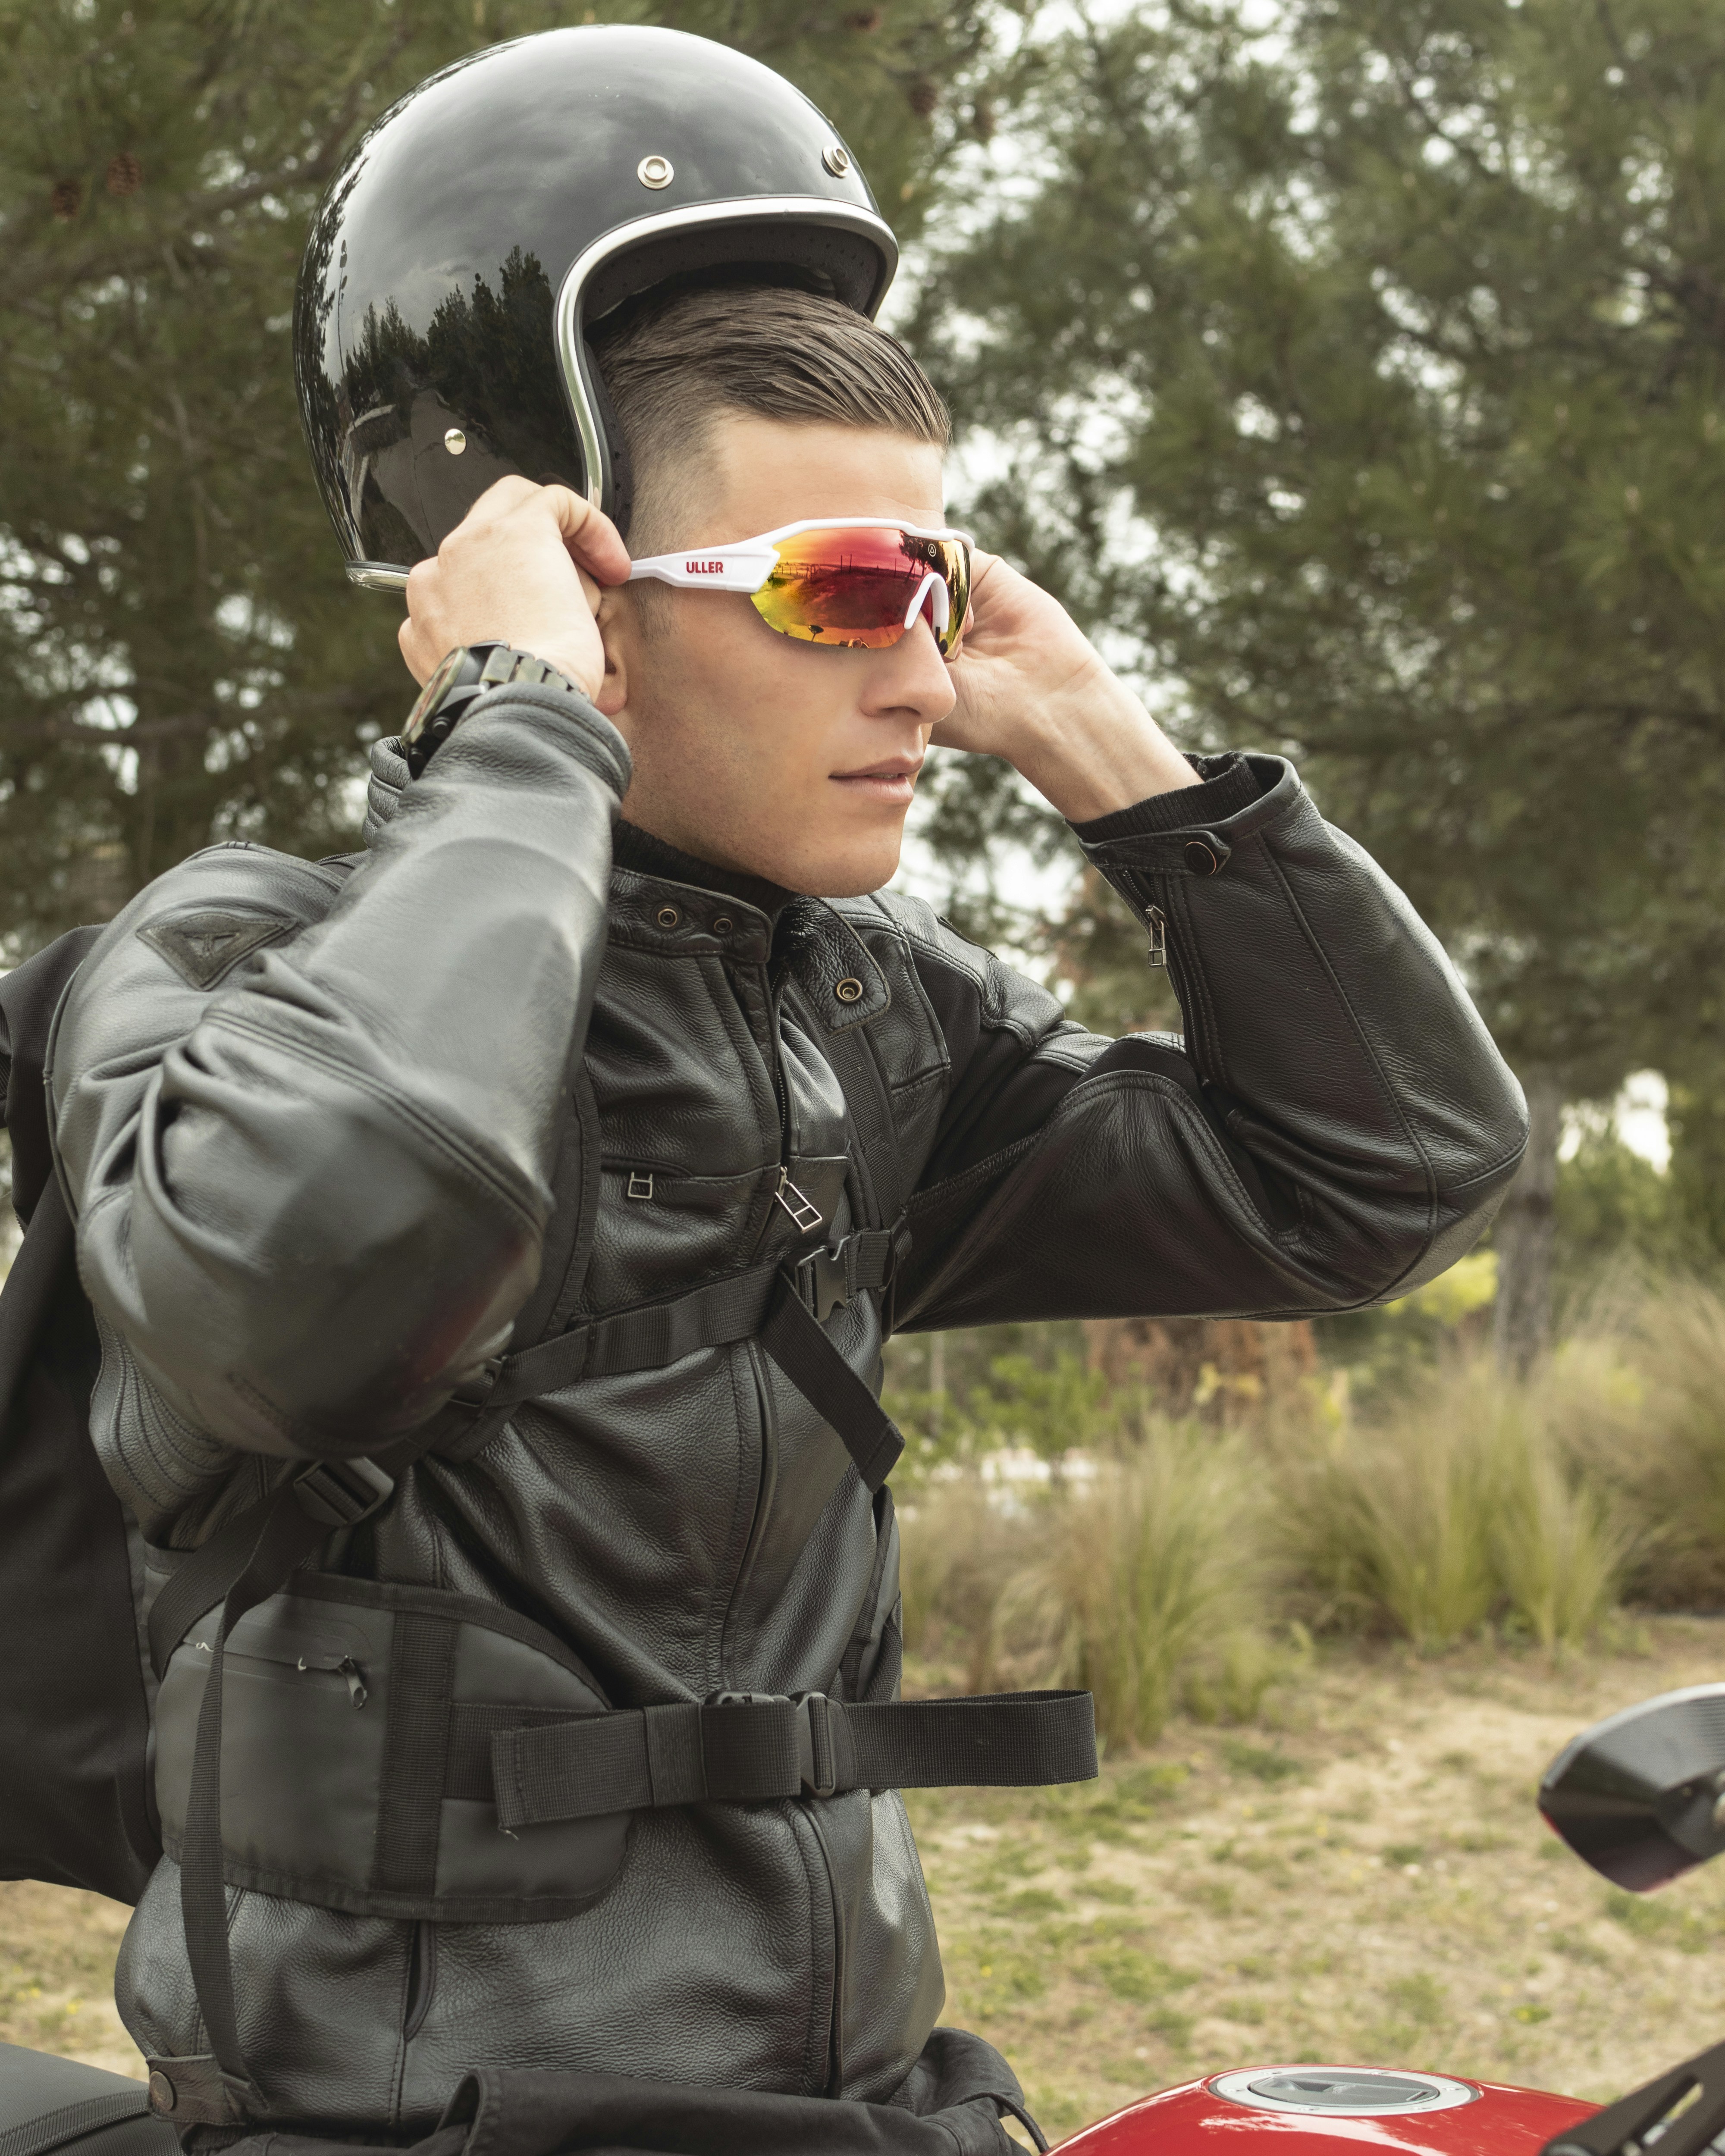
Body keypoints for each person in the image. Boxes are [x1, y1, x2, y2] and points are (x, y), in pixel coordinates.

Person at [44, 25, 1526, 2152]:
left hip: (853, 2096)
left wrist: (1120, 753)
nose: (922, 675)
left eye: (928, 583)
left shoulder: (877, 1015)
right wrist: (521, 726)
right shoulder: (229, 967)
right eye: (840, 588)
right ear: (559, 589)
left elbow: (1383, 1177)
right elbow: (316, 1260)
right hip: (409, 2122)